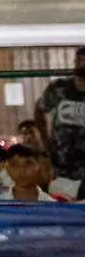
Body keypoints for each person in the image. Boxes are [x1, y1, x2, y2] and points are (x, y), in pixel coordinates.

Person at [34, 46, 85, 196]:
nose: (81, 65)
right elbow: (39, 110)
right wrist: (45, 140)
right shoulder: (59, 88)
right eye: (79, 60)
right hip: (61, 162)